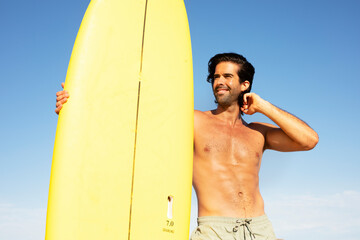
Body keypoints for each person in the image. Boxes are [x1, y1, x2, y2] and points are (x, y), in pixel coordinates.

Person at [55, 53, 318, 240]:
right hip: (215, 230)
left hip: (260, 229)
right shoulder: (193, 120)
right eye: (215, 77)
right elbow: (133, 119)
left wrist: (264, 107)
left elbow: (309, 140)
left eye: (227, 76)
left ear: (245, 84)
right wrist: (78, 104)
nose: (219, 82)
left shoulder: (258, 133)